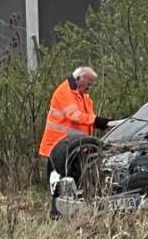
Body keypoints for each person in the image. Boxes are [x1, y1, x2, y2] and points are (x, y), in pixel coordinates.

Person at [38, 66, 113, 219]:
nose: (89, 87)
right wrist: (99, 121)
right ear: (80, 79)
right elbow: (74, 115)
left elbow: (89, 118)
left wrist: (105, 124)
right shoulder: (64, 92)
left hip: (77, 149)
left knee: (78, 183)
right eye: (89, 83)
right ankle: (57, 216)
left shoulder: (84, 97)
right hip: (57, 149)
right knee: (59, 185)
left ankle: (76, 215)